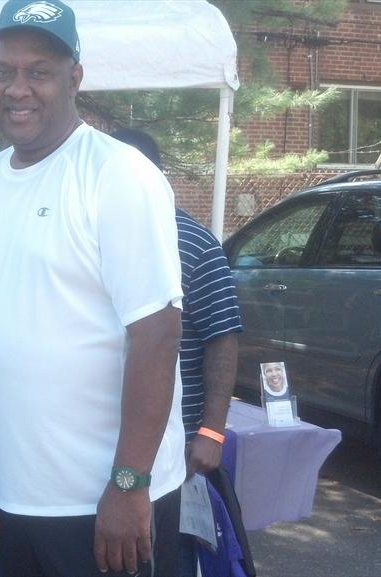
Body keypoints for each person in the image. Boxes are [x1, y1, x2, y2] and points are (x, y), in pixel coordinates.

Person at [0, 2, 186, 576]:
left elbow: (157, 334)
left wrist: (129, 483)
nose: (17, 89)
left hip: (105, 502)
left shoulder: (119, 174)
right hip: (16, 494)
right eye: (3, 71)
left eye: (39, 72)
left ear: (74, 77)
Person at [111, 129, 243, 577]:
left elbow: (223, 337)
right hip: (104, 442)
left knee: (168, 556)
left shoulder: (194, 242)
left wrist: (212, 430)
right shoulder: (95, 233)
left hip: (176, 447)